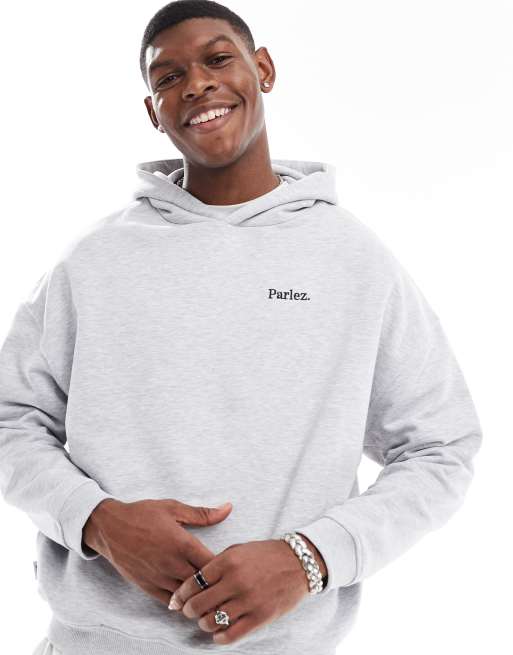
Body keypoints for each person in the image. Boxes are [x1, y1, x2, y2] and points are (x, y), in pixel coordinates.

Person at [0, 1, 483, 654]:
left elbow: (441, 447)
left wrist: (309, 557)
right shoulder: (92, 261)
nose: (196, 84)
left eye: (218, 59)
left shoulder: (353, 260)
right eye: (168, 77)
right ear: (152, 112)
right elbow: (11, 419)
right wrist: (98, 522)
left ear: (264, 69)